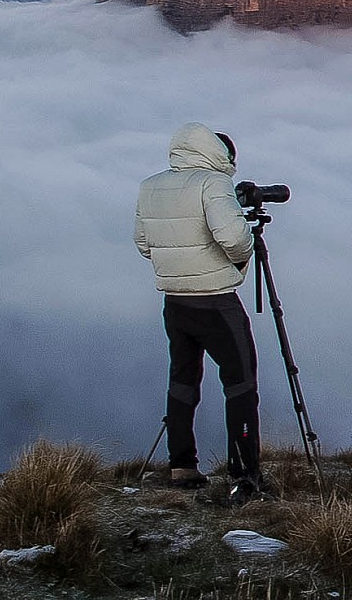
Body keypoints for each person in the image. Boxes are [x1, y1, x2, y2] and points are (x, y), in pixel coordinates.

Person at [134, 123, 263, 496]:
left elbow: (144, 244)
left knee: (183, 381)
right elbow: (235, 240)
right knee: (240, 384)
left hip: (175, 302)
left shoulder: (151, 186)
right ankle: (244, 475)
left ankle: (182, 466)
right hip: (217, 301)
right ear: (221, 155)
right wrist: (243, 252)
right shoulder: (213, 183)